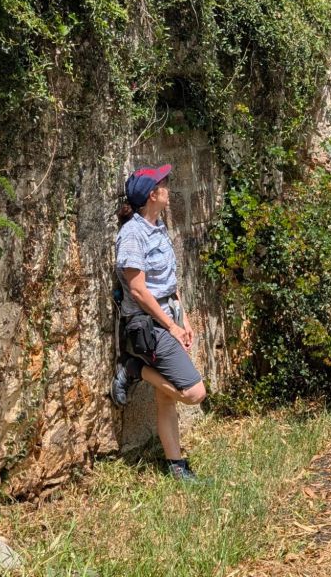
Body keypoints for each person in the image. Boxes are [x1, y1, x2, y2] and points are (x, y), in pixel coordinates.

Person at [110, 164, 207, 481]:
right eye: (163, 184)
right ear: (153, 194)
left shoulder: (158, 227)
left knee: (166, 396)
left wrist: (184, 318)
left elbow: (169, 281)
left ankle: (176, 466)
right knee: (193, 393)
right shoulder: (131, 235)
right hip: (148, 324)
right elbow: (139, 290)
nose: (168, 188)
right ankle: (133, 369)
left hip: (169, 316)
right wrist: (171, 326)